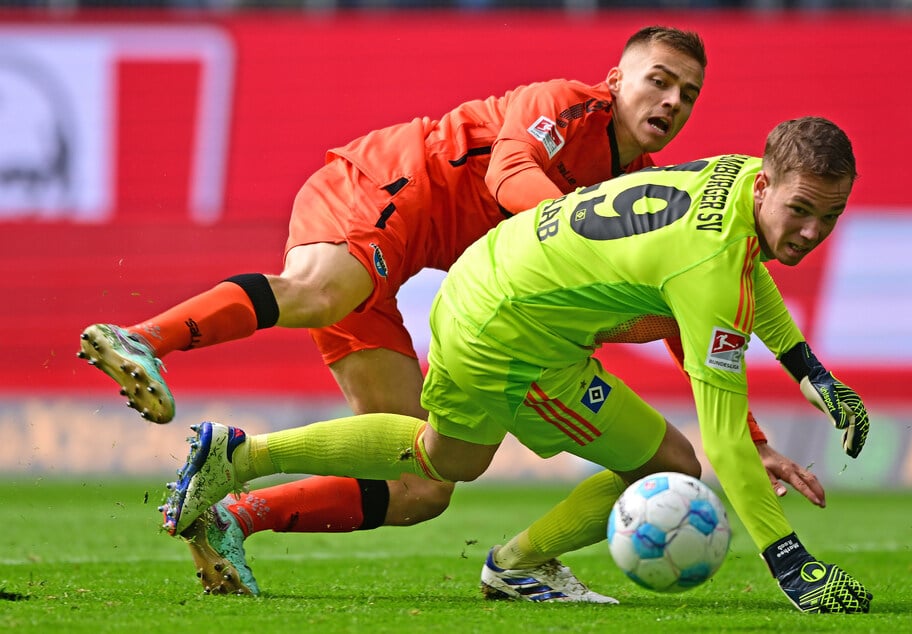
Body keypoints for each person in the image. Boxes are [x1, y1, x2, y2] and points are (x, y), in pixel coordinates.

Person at [80, 26, 821, 596]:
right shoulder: (563, 104)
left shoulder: (647, 188)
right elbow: (508, 173)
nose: (669, 103)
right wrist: (586, 239)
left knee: (425, 483)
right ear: (615, 78)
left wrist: (748, 435)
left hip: (413, 267)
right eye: (657, 82)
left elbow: (685, 315)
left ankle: (235, 508)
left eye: (686, 95)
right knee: (322, 290)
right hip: (384, 187)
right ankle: (143, 336)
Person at [159, 116, 872, 612]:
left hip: (492, 286)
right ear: (766, 186)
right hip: (512, 333)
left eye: (829, 219)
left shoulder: (738, 176)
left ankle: (238, 456)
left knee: (452, 457)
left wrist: (806, 366)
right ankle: (517, 566)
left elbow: (753, 266)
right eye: (801, 211)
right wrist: (788, 561)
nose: (809, 233)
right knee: (650, 465)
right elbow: (722, 435)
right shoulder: (710, 269)